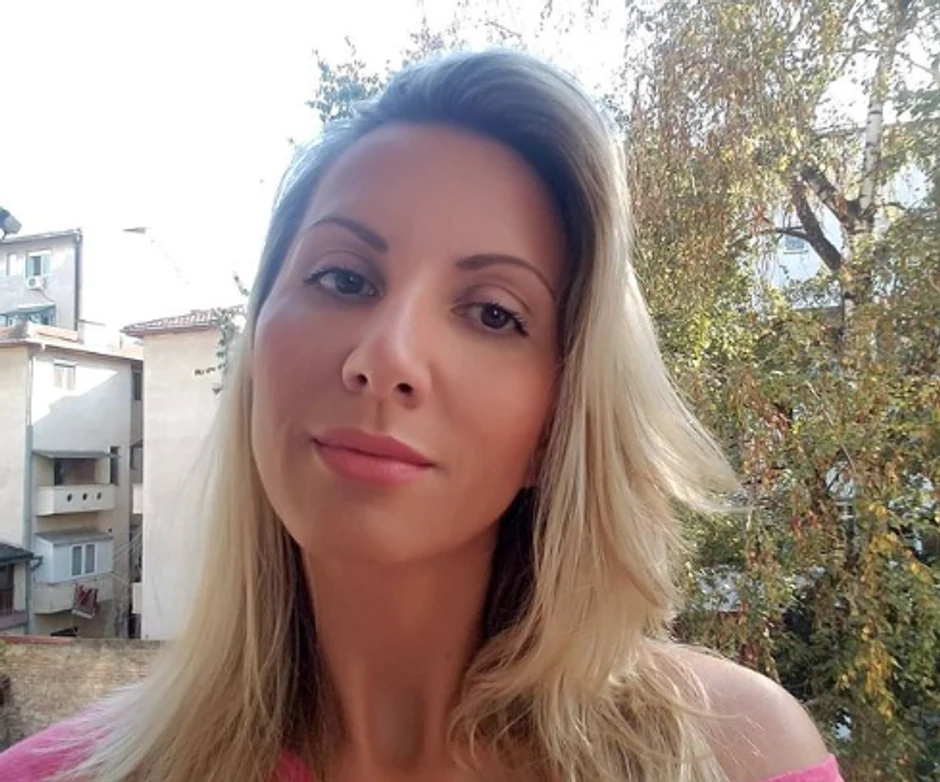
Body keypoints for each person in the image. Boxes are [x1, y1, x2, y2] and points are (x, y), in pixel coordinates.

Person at [0, 50, 843, 782]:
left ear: (559, 422)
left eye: (494, 313)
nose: (386, 355)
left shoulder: (736, 757)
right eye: (343, 278)